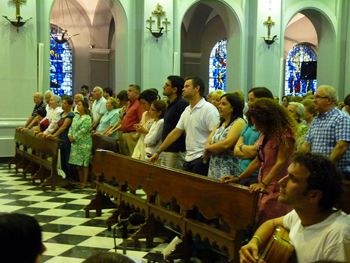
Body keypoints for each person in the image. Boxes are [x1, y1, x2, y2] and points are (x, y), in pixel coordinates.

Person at [239, 153, 350, 263]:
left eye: (293, 179)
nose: (281, 182)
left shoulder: (339, 236)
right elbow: (271, 223)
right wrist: (254, 242)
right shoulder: (301, 214)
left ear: (313, 195)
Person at [223, 98, 296, 224]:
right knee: (259, 216)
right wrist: (238, 178)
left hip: (278, 185)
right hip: (265, 183)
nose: (256, 128)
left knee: (272, 220)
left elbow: (281, 162)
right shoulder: (265, 133)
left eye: (258, 124)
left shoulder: (285, 134)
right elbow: (258, 160)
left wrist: (263, 184)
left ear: (267, 120)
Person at [151, 76, 219, 176]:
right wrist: (159, 151)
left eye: (187, 86)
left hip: (201, 157)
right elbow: (176, 132)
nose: (183, 89)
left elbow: (215, 133)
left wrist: (206, 152)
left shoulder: (208, 109)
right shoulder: (187, 109)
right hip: (188, 157)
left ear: (197, 88)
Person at [301, 85, 350, 180]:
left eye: (318, 97)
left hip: (337, 173)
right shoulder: (316, 120)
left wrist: (324, 167)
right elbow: (306, 145)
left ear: (329, 100)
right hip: (317, 172)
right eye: (314, 97)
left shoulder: (341, 118)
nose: (314, 100)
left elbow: (341, 147)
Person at [233, 87, 274, 185]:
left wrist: (242, 147)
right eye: (248, 100)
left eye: (252, 100)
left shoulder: (268, 125)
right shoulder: (250, 122)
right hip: (242, 170)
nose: (249, 103)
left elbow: (255, 152)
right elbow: (235, 150)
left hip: (256, 175)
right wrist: (246, 150)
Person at [205, 93, 245, 180]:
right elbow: (208, 140)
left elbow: (226, 144)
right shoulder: (220, 123)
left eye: (223, 104)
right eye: (219, 103)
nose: (219, 106)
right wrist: (208, 146)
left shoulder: (239, 122)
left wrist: (208, 148)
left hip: (229, 169)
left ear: (232, 108)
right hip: (214, 167)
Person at [160, 75, 188, 169]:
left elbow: (183, 128)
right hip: (167, 148)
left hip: (175, 150)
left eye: (167, 85)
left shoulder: (181, 104)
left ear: (174, 89)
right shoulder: (170, 104)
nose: (164, 87)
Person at [109, 84, 144, 156]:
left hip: (132, 135)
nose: (127, 92)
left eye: (130, 91)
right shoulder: (129, 104)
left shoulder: (139, 104)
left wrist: (136, 135)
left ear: (137, 93)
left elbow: (142, 120)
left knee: (132, 157)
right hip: (124, 134)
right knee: (124, 157)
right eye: (128, 90)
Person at [45, 95, 75, 179]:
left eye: (65, 103)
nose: (62, 104)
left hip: (66, 137)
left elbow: (64, 127)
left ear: (69, 105)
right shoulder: (62, 113)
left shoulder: (70, 114)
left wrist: (54, 135)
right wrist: (51, 134)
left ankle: (69, 177)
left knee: (67, 156)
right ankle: (62, 175)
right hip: (60, 137)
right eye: (62, 103)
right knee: (61, 156)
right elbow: (58, 125)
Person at [68, 100, 92, 187]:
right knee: (78, 163)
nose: (77, 106)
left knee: (84, 163)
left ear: (84, 107)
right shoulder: (75, 117)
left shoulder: (87, 118)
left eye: (79, 105)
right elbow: (71, 127)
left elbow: (84, 130)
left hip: (84, 143)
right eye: (77, 105)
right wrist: (69, 135)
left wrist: (74, 137)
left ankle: (84, 182)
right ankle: (80, 180)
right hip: (75, 143)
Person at [131, 89, 158, 160]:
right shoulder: (144, 114)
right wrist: (138, 128)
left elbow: (157, 137)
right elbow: (142, 126)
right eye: (140, 103)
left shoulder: (158, 117)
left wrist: (145, 131)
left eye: (144, 103)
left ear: (152, 102)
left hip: (150, 147)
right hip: (140, 143)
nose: (142, 106)